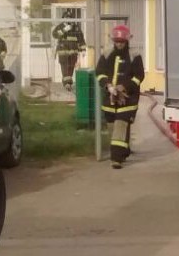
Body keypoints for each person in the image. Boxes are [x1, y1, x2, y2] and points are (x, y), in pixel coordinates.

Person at [96, 24, 144, 169]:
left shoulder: (134, 56)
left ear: (127, 41)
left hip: (128, 99)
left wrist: (125, 87)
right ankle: (124, 150)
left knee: (120, 126)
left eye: (122, 42)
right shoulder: (106, 55)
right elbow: (99, 73)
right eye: (117, 41)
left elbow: (139, 76)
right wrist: (108, 86)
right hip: (109, 98)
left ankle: (116, 159)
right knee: (113, 128)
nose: (119, 44)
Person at [52, 9, 86, 90]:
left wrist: (83, 49)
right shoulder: (60, 26)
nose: (68, 19)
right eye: (66, 18)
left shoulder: (76, 27)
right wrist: (64, 30)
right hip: (63, 51)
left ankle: (69, 83)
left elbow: (81, 39)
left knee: (71, 67)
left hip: (73, 51)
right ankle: (66, 84)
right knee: (64, 67)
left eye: (70, 18)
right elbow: (55, 35)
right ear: (63, 18)